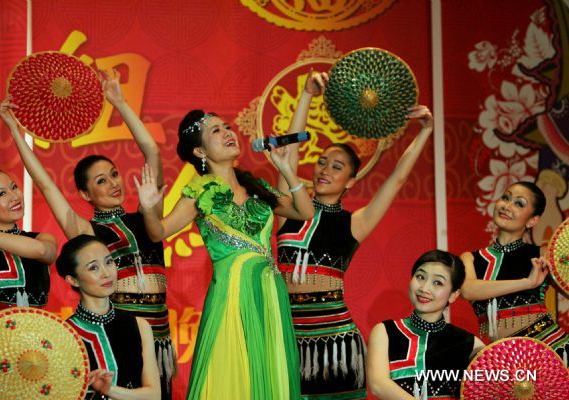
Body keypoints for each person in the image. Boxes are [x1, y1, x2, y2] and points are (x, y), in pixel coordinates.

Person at [0, 70, 174, 398]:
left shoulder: (149, 215)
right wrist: (15, 130)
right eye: (101, 181)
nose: (114, 183)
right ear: (85, 194)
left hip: (157, 333)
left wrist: (120, 104)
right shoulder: (87, 231)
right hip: (118, 330)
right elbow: (45, 184)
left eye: (114, 174)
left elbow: (152, 153)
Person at [133, 108, 315, 400]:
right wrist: (147, 208)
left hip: (270, 292)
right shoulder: (199, 191)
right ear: (199, 150)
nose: (228, 133)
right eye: (216, 131)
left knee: (269, 372)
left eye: (227, 127)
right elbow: (158, 232)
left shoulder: (255, 186)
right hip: (231, 294)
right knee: (231, 373)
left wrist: (286, 169)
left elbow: (304, 211)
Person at [275, 71, 434, 399]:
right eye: (321, 162)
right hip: (286, 337)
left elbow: (398, 179)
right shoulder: (286, 207)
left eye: (336, 166)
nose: (324, 170)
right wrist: (306, 95)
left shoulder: (355, 223)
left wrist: (425, 132)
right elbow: (287, 158)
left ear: (350, 181)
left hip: (336, 345)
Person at [461, 181, 568, 361]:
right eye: (505, 198)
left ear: (532, 220)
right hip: (506, 360)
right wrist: (528, 282)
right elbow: (468, 290)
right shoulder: (469, 259)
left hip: (550, 350)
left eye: (519, 203)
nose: (507, 206)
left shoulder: (541, 256)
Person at [366, 250, 484, 400]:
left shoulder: (469, 343)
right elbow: (378, 385)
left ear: (453, 295)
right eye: (420, 277)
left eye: (438, 283)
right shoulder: (385, 332)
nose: (424, 288)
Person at [57, 234, 161, 400]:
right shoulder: (63, 335)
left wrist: (110, 390)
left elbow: (154, 395)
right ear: (73, 280)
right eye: (93, 268)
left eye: (109, 262)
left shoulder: (139, 326)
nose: (106, 273)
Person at [0, 167, 57, 338]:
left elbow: (43, 251)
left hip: (35, 340)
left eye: (14, 187)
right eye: (2, 194)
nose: (15, 196)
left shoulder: (41, 239)